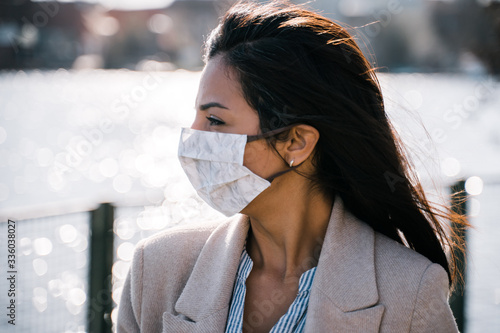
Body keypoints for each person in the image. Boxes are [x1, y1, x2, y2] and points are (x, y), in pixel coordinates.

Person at [117, 0, 465, 332]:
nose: (192, 137)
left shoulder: (410, 293)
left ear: (296, 141)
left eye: (215, 120)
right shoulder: (157, 270)